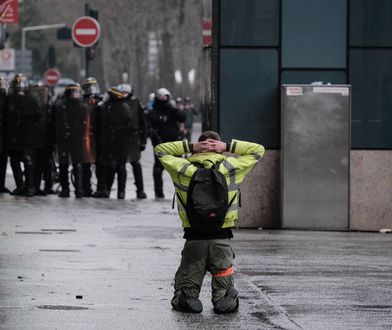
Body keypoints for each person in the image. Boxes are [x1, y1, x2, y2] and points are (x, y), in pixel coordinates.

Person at [154, 131, 265, 314]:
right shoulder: (231, 167)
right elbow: (258, 150)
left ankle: (187, 297)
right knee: (223, 275)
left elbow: (160, 150)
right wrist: (228, 146)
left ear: (198, 149)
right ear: (219, 148)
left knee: (188, 278)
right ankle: (224, 298)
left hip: (193, 238)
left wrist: (190, 147)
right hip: (222, 237)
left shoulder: (183, 168)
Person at [97, 85, 147, 199]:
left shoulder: (133, 105)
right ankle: (108, 189)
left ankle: (137, 190)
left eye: (126, 93)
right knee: (111, 166)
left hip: (129, 141)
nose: (124, 95)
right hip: (113, 141)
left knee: (132, 164)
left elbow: (142, 124)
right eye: (122, 92)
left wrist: (142, 141)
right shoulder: (109, 105)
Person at [55, 83, 96, 198]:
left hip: (78, 139)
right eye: (73, 92)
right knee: (63, 164)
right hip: (64, 139)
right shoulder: (60, 106)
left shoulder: (83, 106)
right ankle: (65, 189)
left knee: (77, 164)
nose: (76, 95)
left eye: (77, 92)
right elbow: (56, 123)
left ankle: (79, 189)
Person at [6, 74, 45, 197]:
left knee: (28, 160)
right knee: (14, 160)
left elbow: (39, 114)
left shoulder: (32, 97)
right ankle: (20, 186)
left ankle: (30, 187)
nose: (19, 87)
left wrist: (24, 116)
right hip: (14, 134)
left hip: (28, 134)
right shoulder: (10, 97)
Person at [147, 88, 186, 199]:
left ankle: (181, 192)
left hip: (175, 145)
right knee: (158, 170)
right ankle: (159, 194)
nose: (165, 99)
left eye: (166, 97)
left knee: (179, 170)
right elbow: (147, 125)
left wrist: (173, 109)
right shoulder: (153, 112)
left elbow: (183, 118)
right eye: (163, 97)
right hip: (160, 145)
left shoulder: (171, 110)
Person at [81, 77, 101, 197]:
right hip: (85, 137)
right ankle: (86, 188)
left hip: (97, 137)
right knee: (85, 164)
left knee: (99, 165)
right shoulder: (82, 102)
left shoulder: (101, 102)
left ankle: (100, 188)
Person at [0, 76, 10, 193]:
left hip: (5, 135)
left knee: (3, 161)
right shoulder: (8, 99)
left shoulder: (8, 99)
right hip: (5, 136)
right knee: (3, 162)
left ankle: (1, 184)